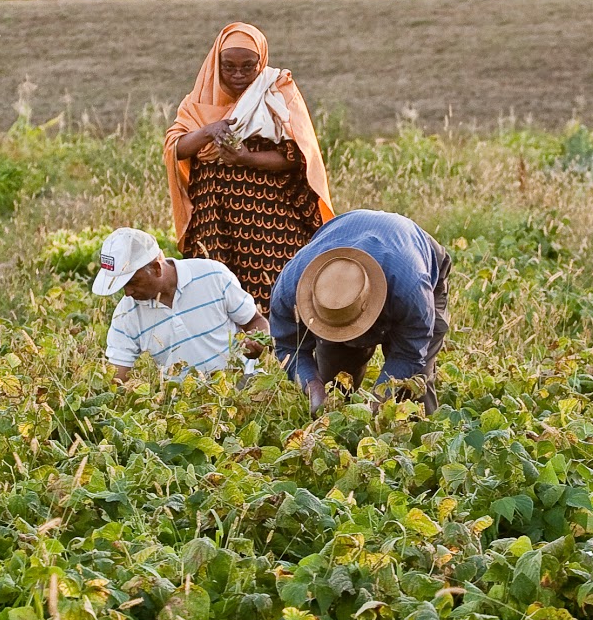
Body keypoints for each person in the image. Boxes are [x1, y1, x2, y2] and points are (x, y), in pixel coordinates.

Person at [163, 22, 335, 305]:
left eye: (248, 67)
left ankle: (277, 348)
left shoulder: (276, 94)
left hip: (269, 221)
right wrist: (209, 130)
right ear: (215, 64)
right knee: (216, 293)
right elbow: (176, 148)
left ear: (261, 62)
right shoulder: (197, 103)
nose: (238, 75)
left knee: (276, 293)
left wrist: (247, 158)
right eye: (228, 67)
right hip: (213, 219)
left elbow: (298, 156)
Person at [268, 210, 451, 414]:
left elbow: (410, 354)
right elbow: (288, 346)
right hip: (359, 244)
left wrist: (375, 402)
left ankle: (420, 442)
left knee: (412, 392)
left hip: (412, 260)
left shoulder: (410, 288)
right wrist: (313, 387)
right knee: (335, 391)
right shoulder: (290, 287)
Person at [92, 227, 269, 380]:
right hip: (184, 409)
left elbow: (256, 321)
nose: (127, 293)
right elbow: (118, 377)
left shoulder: (213, 275)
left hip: (242, 391)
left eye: (132, 282)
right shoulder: (126, 315)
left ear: (156, 268)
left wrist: (256, 340)